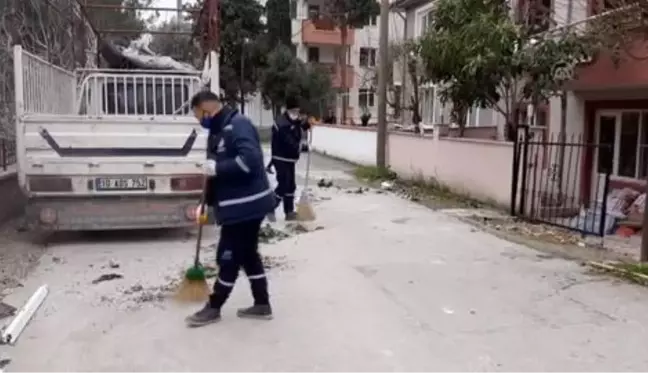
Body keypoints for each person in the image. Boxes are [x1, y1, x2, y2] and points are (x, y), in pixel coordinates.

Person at [185, 91, 275, 327]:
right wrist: (206, 203)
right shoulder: (219, 131)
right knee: (248, 254)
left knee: (228, 256)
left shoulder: (238, 125)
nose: (200, 122)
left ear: (206, 108)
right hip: (238, 206)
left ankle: (214, 307)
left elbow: (251, 161)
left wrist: (218, 168)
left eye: (199, 116)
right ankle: (262, 303)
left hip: (247, 206)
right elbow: (216, 173)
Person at [267, 97, 310, 221]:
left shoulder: (292, 120)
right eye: (294, 110)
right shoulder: (281, 123)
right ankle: (270, 207)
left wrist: (306, 125)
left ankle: (289, 212)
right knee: (283, 184)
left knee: (291, 185)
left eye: (298, 111)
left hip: (290, 159)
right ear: (288, 109)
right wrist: (301, 146)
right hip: (280, 158)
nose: (296, 113)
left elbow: (298, 127)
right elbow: (288, 140)